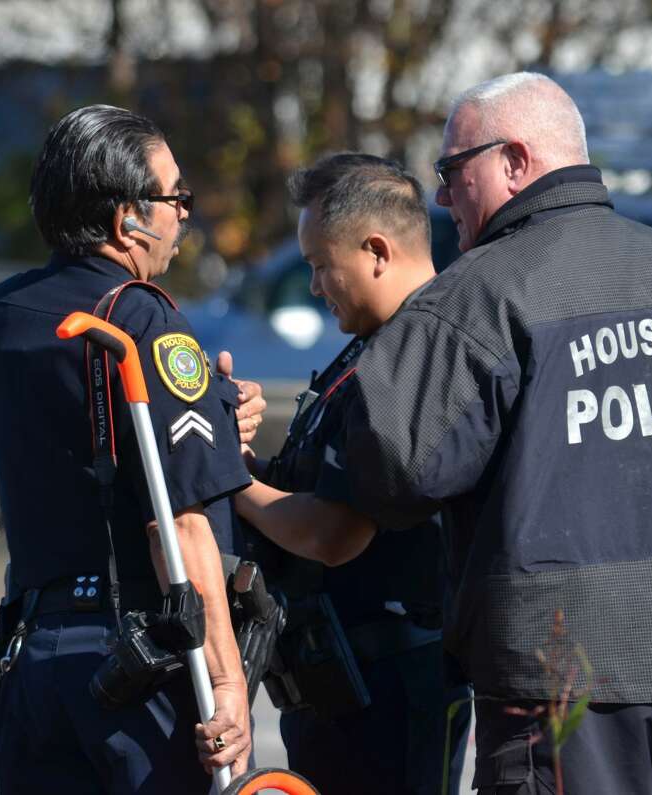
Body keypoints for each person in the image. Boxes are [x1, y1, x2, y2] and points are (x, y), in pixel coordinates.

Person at [337, 73, 652, 793]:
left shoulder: (482, 293)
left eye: (451, 171)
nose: (442, 196)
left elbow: (393, 468)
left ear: (515, 161)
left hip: (562, 692)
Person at [0, 105, 266, 793]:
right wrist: (225, 681)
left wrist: (209, 411)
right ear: (126, 217)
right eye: (174, 197)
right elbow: (180, 520)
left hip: (31, 659)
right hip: (133, 663)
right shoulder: (142, 315)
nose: (185, 214)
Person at [232, 153, 471, 795]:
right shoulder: (377, 342)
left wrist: (226, 481)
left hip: (388, 689)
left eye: (319, 265)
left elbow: (334, 533)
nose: (314, 286)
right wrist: (251, 470)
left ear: (375, 251)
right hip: (346, 686)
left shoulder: (417, 356)